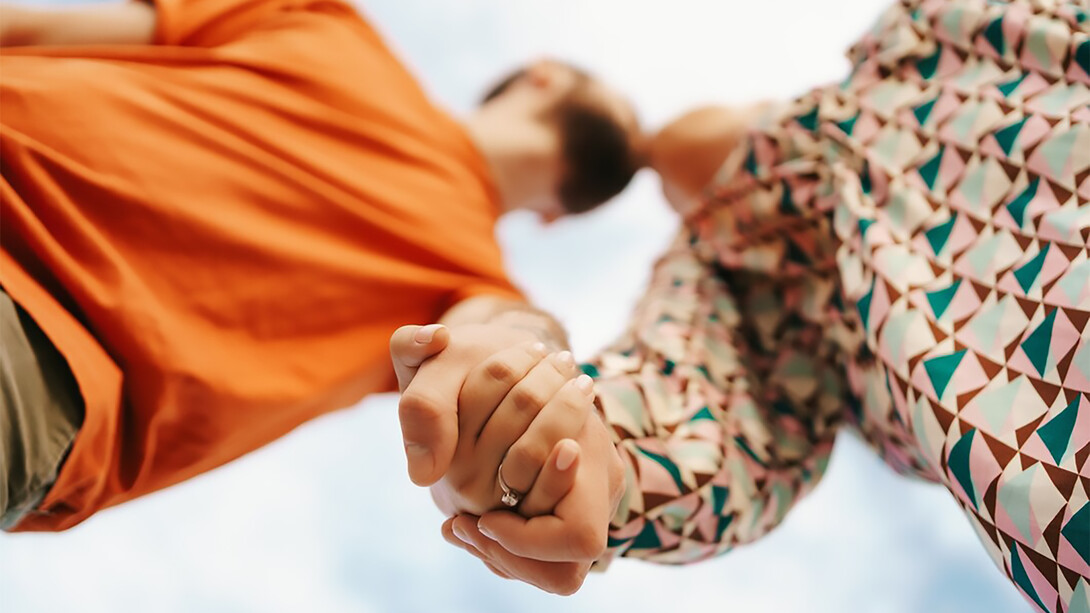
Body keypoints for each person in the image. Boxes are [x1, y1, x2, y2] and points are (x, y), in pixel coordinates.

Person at [390, 0, 1090, 609]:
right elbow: (684, 418)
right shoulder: (750, 293)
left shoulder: (952, 28)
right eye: (682, 202)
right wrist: (564, 452)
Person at [0, 0, 644, 532]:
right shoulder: (327, 23)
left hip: (41, 344)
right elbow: (32, 27)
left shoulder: (473, 286)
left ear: (553, 220)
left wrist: (546, 376)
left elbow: (508, 338)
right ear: (543, 73)